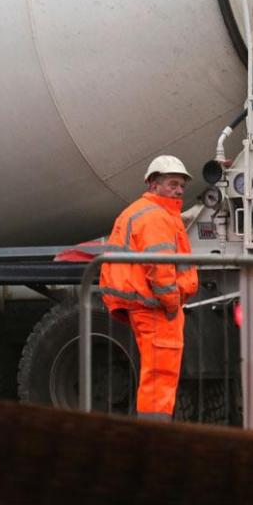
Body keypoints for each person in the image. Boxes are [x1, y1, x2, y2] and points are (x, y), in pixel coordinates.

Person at [100, 155, 199, 421]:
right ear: (154, 184)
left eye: (181, 185)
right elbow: (160, 266)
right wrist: (170, 304)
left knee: (156, 375)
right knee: (160, 377)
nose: (179, 190)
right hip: (156, 309)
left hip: (147, 306)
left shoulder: (146, 211)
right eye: (173, 184)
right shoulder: (156, 216)